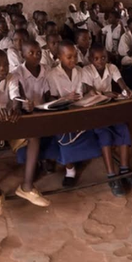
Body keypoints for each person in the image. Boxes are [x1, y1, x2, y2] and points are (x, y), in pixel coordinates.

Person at [0, 50, 49, 216]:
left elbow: (16, 98)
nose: (3, 68)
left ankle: (27, 186)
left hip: (6, 120)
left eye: (6, 64)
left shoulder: (12, 77)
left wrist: (17, 108)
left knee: (34, 137)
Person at [82, 45, 132, 196]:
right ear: (90, 60)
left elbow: (121, 82)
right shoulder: (86, 71)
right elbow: (90, 91)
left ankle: (125, 170)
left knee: (123, 130)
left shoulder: (112, 67)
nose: (100, 61)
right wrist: (105, 93)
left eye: (103, 58)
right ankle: (112, 176)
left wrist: (126, 90)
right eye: (96, 59)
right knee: (105, 136)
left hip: (110, 109)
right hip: (94, 110)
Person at [45, 41, 101, 187]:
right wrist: (65, 99)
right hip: (61, 112)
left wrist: (91, 92)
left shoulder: (80, 71)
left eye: (75, 56)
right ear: (59, 57)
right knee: (64, 136)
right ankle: (70, 170)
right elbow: (51, 98)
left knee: (89, 129)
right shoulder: (52, 74)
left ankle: (80, 158)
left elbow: (84, 89)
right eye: (69, 57)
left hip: (79, 109)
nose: (73, 60)